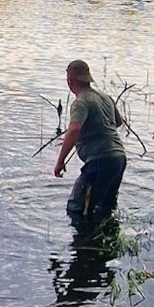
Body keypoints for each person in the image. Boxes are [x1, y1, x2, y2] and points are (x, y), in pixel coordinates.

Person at [53, 60, 127, 234]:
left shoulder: (81, 102)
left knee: (77, 209)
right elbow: (117, 122)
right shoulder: (104, 97)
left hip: (100, 162)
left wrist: (60, 161)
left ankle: (83, 251)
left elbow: (74, 130)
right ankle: (105, 246)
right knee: (104, 208)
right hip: (119, 159)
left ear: (70, 79)